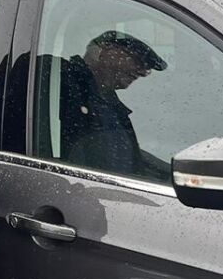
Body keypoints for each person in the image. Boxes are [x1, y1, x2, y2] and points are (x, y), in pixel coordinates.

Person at [54, 29, 169, 178]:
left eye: (146, 68)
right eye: (138, 61)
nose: (142, 72)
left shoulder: (111, 105)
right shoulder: (61, 81)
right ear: (105, 50)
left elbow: (127, 155)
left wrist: (171, 174)